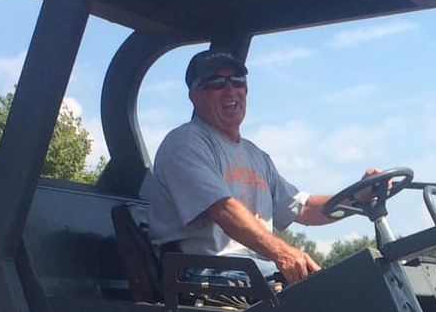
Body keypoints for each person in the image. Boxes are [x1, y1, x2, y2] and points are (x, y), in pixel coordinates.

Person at [143, 48, 361, 284]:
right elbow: (224, 210)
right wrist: (282, 252)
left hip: (253, 271)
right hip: (205, 272)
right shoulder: (185, 143)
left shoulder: (256, 156)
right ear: (195, 95)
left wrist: (358, 196)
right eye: (216, 82)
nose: (231, 90)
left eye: (238, 81)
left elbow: (305, 208)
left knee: (353, 283)